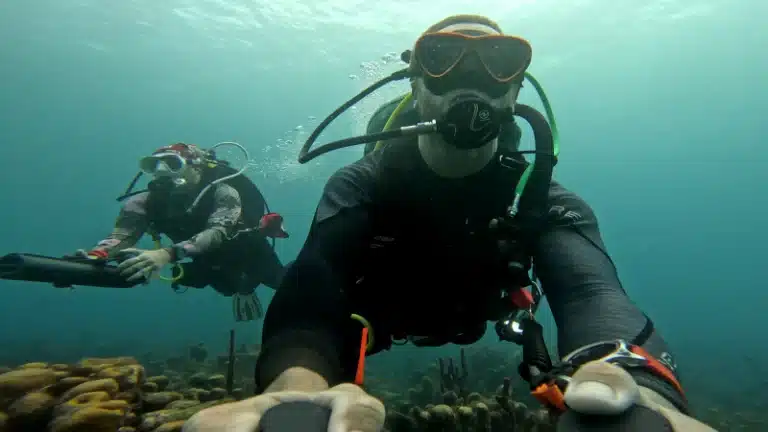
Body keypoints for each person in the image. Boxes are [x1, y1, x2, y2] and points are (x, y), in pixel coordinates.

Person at [183, 15, 717, 432]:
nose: (472, 79)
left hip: (476, 312)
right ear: (416, 84)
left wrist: (640, 386)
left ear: (514, 92)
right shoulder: (360, 183)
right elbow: (311, 286)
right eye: (441, 58)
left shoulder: (542, 198)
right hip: (381, 317)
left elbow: (592, 294)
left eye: (499, 62)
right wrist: (297, 384)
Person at [77, 142, 290, 322]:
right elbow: (122, 235)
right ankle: (243, 288)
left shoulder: (223, 191)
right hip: (206, 260)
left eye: (172, 163)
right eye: (153, 165)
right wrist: (97, 254)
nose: (162, 171)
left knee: (284, 284)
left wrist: (166, 254)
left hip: (249, 253)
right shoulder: (145, 202)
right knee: (228, 288)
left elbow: (218, 231)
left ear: (195, 167)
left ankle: (306, 271)